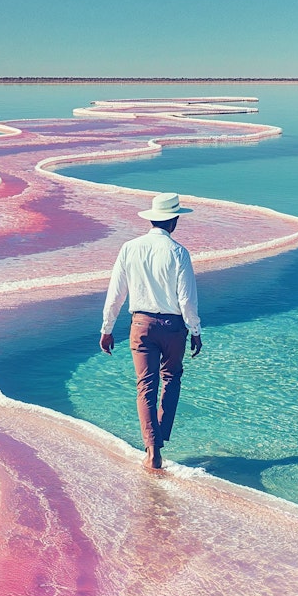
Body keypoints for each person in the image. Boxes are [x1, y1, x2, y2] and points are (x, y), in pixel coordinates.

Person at [99, 192, 202, 470]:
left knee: (146, 385)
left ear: (152, 219)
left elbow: (116, 294)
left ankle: (152, 450)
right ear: (174, 221)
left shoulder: (129, 248)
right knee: (171, 378)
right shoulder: (179, 252)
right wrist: (195, 330)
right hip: (173, 327)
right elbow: (186, 300)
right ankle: (161, 436)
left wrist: (107, 329)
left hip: (141, 325)